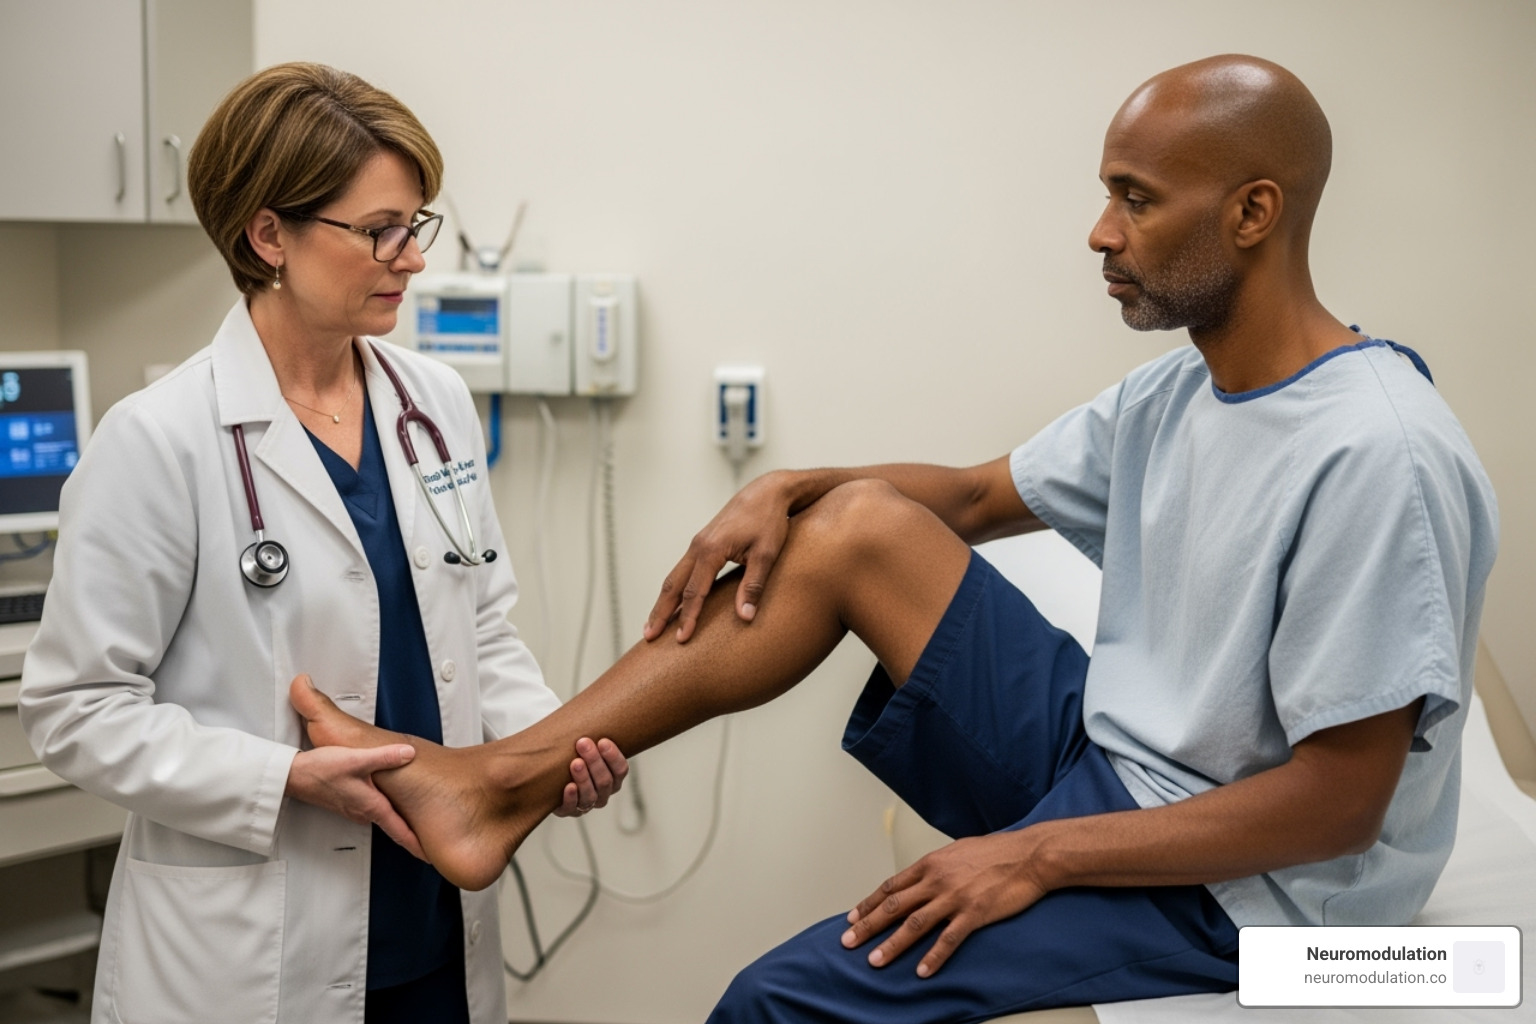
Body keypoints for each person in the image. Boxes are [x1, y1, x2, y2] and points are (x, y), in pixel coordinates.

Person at [286, 54, 1499, 1021]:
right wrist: (787, 486)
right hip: (1122, 754)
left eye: (1135, 199)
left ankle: (495, 786)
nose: (1099, 231)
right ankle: (499, 784)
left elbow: (1339, 805)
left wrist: (1037, 858)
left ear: (1252, 213)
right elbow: (969, 497)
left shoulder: (1374, 453)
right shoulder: (1180, 393)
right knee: (856, 526)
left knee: (774, 1004)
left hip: (1259, 895)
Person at [18, 63, 629, 1024]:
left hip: (435, 913)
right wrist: (282, 779)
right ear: (269, 235)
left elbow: (484, 626)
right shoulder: (160, 439)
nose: (412, 257)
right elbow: (73, 708)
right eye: (380, 229)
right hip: (253, 948)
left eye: (415, 225)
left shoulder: (435, 405)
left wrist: (544, 752)